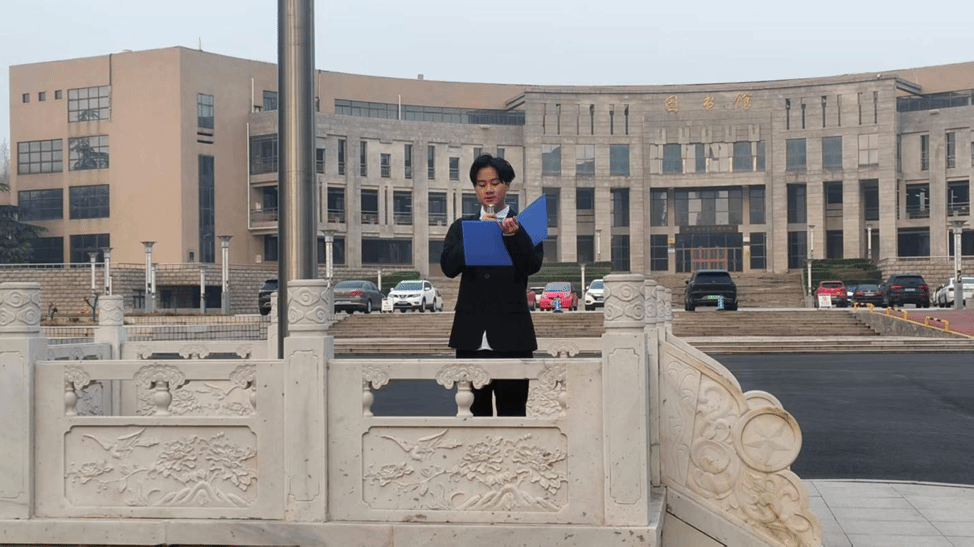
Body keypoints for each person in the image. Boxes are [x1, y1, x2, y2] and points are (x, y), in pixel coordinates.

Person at [440, 153, 544, 416]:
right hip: (471, 337)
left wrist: (513, 236)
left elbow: (532, 265)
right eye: (481, 184)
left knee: (513, 414)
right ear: (475, 188)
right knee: (474, 416)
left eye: (495, 183)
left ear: (506, 185)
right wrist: (477, 234)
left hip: (513, 337)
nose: (488, 189)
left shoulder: (526, 224)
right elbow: (448, 267)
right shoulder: (462, 227)